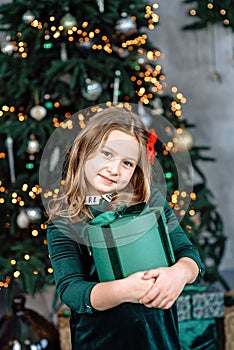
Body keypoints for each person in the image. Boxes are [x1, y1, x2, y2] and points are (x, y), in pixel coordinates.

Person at [46, 107, 205, 350]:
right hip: (102, 342)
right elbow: (72, 290)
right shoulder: (66, 221)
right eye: (107, 154)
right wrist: (125, 290)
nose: (114, 169)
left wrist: (180, 274)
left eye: (127, 163)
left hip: (161, 340)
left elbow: (188, 253)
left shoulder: (153, 206)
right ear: (84, 151)